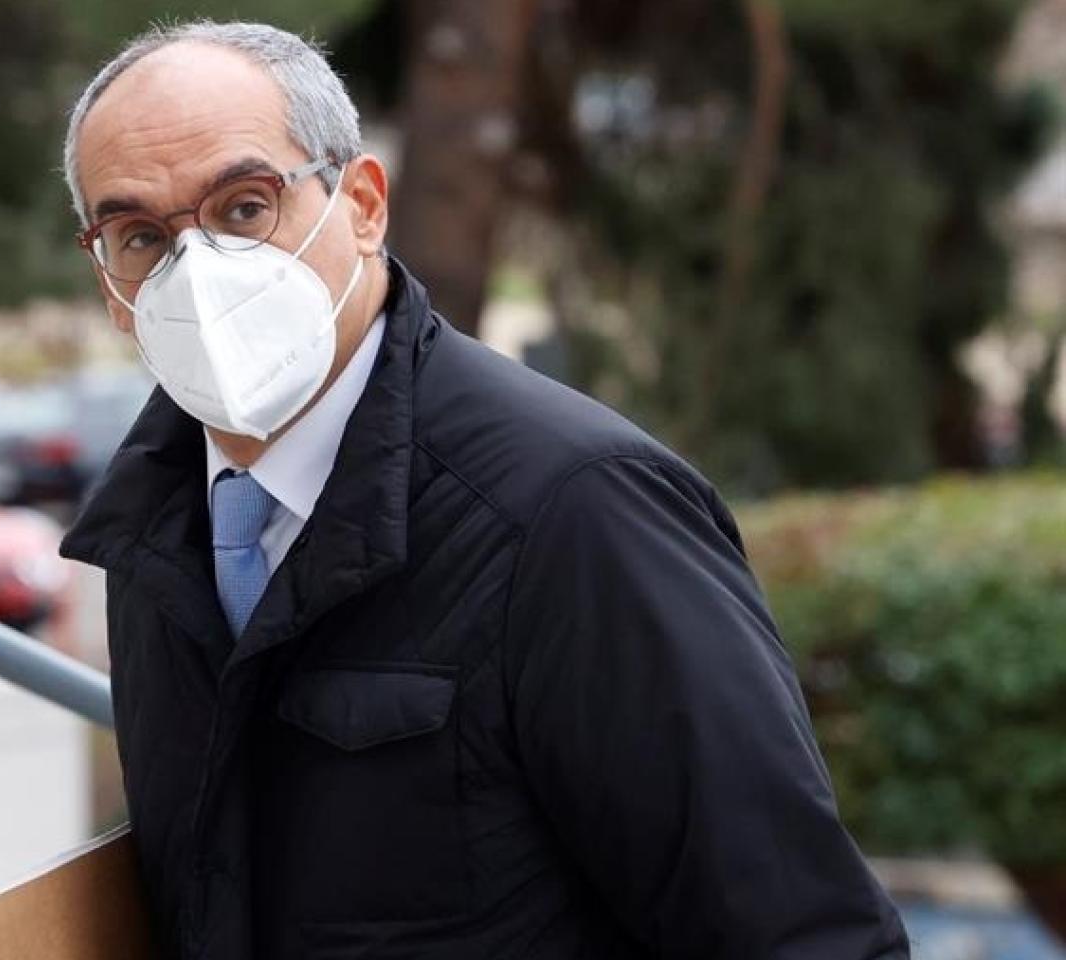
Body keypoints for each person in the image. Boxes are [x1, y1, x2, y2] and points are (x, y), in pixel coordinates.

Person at [59, 20, 910, 960]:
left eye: (246, 208)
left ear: (363, 205)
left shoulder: (577, 511)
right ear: (107, 280)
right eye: (141, 236)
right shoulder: (152, 535)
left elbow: (798, 933)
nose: (197, 272)